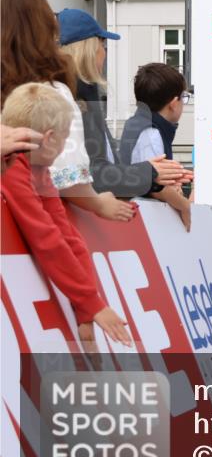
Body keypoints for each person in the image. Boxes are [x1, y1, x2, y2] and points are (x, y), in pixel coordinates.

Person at [0, 83, 133, 347]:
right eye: (66, 138)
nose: (65, 148)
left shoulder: (39, 171)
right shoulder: (14, 168)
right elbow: (44, 238)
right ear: (49, 139)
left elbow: (68, 237)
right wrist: (92, 304)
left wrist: (86, 312)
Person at [1, 0, 134, 223]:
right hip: (33, 223)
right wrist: (99, 203)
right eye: (102, 45)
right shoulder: (51, 94)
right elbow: (68, 176)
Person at [58, 9, 188, 199]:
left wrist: (148, 176)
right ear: (90, 49)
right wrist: (149, 173)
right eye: (104, 46)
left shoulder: (78, 97)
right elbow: (95, 175)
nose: (105, 54)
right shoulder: (74, 101)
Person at [119, 63, 193, 231]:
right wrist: (184, 205)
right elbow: (155, 186)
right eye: (184, 97)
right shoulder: (151, 133)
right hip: (145, 223)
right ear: (174, 103)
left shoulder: (138, 125)